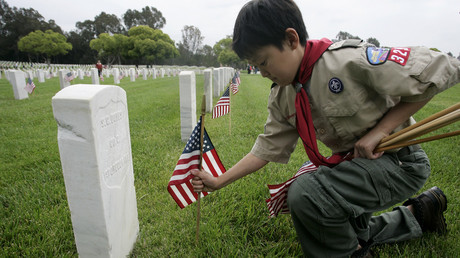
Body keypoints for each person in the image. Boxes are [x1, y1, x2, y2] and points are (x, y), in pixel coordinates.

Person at [191, 0, 460, 257]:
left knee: (308, 193)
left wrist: (382, 130)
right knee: (329, 227)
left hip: (399, 162)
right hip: (356, 168)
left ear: (291, 39)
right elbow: (267, 148)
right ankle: (421, 212)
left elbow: (438, 71)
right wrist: (219, 181)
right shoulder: (283, 94)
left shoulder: (347, 61)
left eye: (263, 62)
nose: (261, 72)